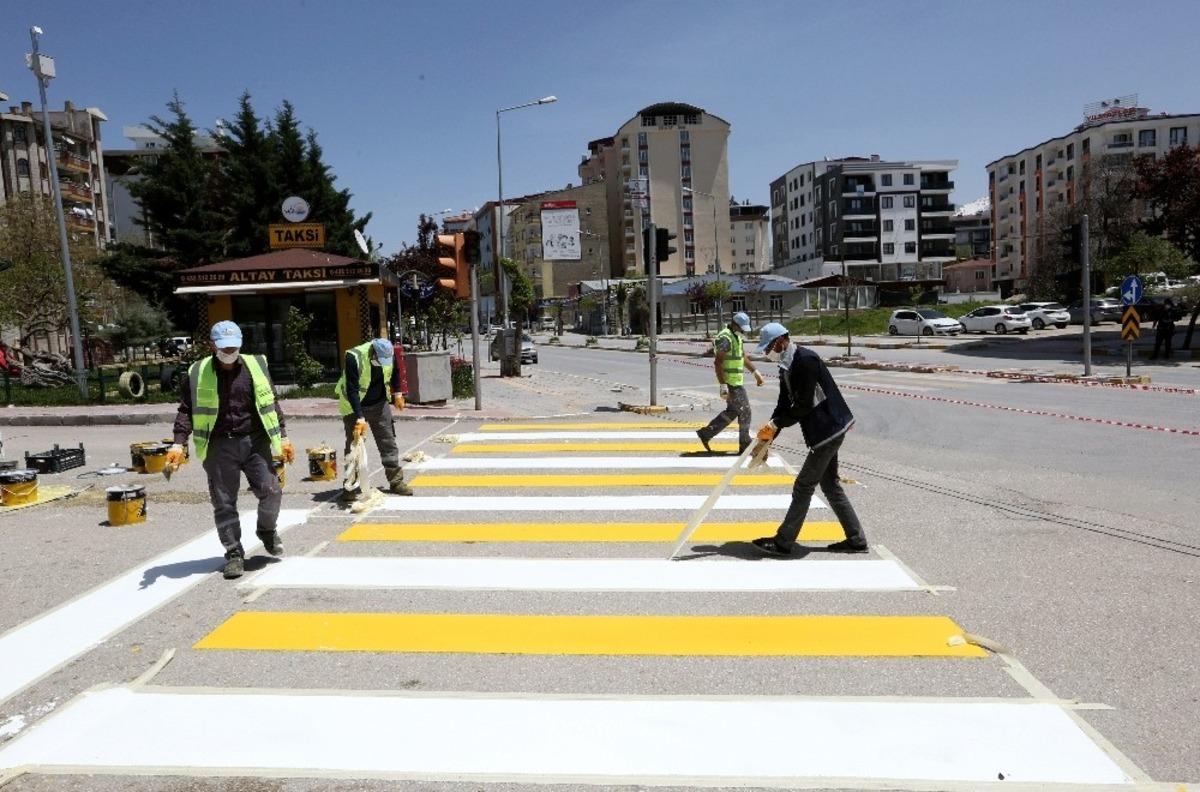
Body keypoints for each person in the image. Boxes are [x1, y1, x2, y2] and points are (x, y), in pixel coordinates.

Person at [168, 321, 294, 580]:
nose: (230, 352)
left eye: (234, 347)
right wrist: (178, 443)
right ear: (212, 345)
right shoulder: (197, 371)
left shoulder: (256, 365)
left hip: (255, 441)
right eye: (224, 348)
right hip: (219, 444)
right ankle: (234, 552)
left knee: (271, 490)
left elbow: (271, 402)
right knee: (224, 503)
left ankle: (266, 531)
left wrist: (283, 437)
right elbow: (186, 409)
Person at [748, 322, 867, 557]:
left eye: (769, 347)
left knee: (803, 486)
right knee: (830, 485)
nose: (767, 352)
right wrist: (768, 437)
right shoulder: (786, 366)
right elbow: (784, 405)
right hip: (822, 431)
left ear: (781, 341)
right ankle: (856, 539)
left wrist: (776, 425)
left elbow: (803, 405)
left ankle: (784, 542)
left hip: (828, 428)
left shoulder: (806, 360)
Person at [334, 337, 412, 500]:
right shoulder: (354, 357)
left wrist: (398, 393)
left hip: (379, 404)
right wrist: (360, 417)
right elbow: (352, 389)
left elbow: (395, 372)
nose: (384, 363)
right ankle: (350, 486)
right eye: (380, 360)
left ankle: (396, 482)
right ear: (373, 353)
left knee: (388, 442)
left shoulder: (389, 352)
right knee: (354, 447)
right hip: (354, 405)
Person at [697, 312, 765, 454]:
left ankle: (706, 433)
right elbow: (718, 362)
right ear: (735, 325)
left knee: (733, 411)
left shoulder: (736, 337)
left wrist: (755, 372)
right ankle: (745, 444)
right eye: (741, 328)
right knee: (745, 411)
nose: (743, 331)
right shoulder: (725, 338)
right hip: (730, 383)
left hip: (736, 382)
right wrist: (723, 385)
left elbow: (742, 356)